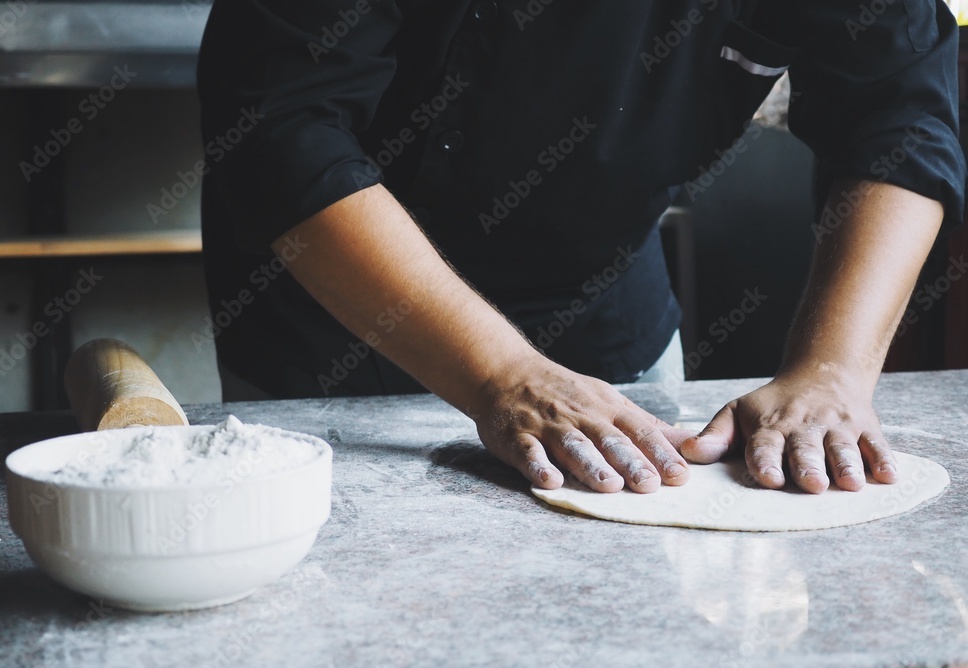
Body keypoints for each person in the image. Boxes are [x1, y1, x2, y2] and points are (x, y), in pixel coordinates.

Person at [195, 0, 965, 495]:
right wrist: (500, 372)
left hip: (603, 303)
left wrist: (831, 373)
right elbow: (280, 131)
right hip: (344, 315)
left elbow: (899, 116)